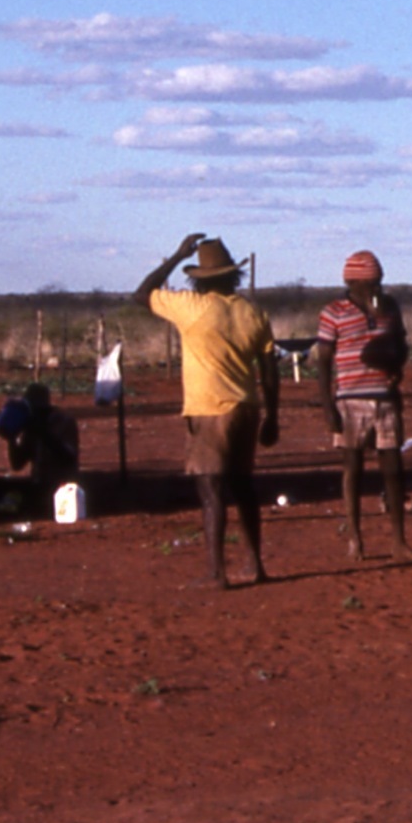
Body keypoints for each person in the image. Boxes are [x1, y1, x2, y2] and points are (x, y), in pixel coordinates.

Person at [140, 232, 279, 587]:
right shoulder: (252, 312)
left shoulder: (192, 307)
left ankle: (217, 572)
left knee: (211, 489)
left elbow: (142, 294)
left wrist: (176, 255)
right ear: (233, 275)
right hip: (247, 408)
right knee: (244, 488)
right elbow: (269, 372)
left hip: (210, 409)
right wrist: (273, 417)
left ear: (199, 279)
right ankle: (254, 565)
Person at [314, 249, 412, 561]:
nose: (376, 288)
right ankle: (355, 539)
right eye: (371, 283)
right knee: (353, 469)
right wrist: (328, 407)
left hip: (385, 396)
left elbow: (401, 345)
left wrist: (396, 366)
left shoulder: (389, 307)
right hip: (350, 399)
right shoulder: (334, 312)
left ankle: (399, 541)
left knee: (393, 469)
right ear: (353, 283)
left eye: (379, 282)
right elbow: (323, 361)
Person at [0, 381, 81, 516]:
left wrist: (43, 433)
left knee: (23, 496)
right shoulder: (31, 423)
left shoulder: (63, 421)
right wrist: (12, 439)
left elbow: (68, 457)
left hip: (61, 485)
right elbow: (17, 465)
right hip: (37, 482)